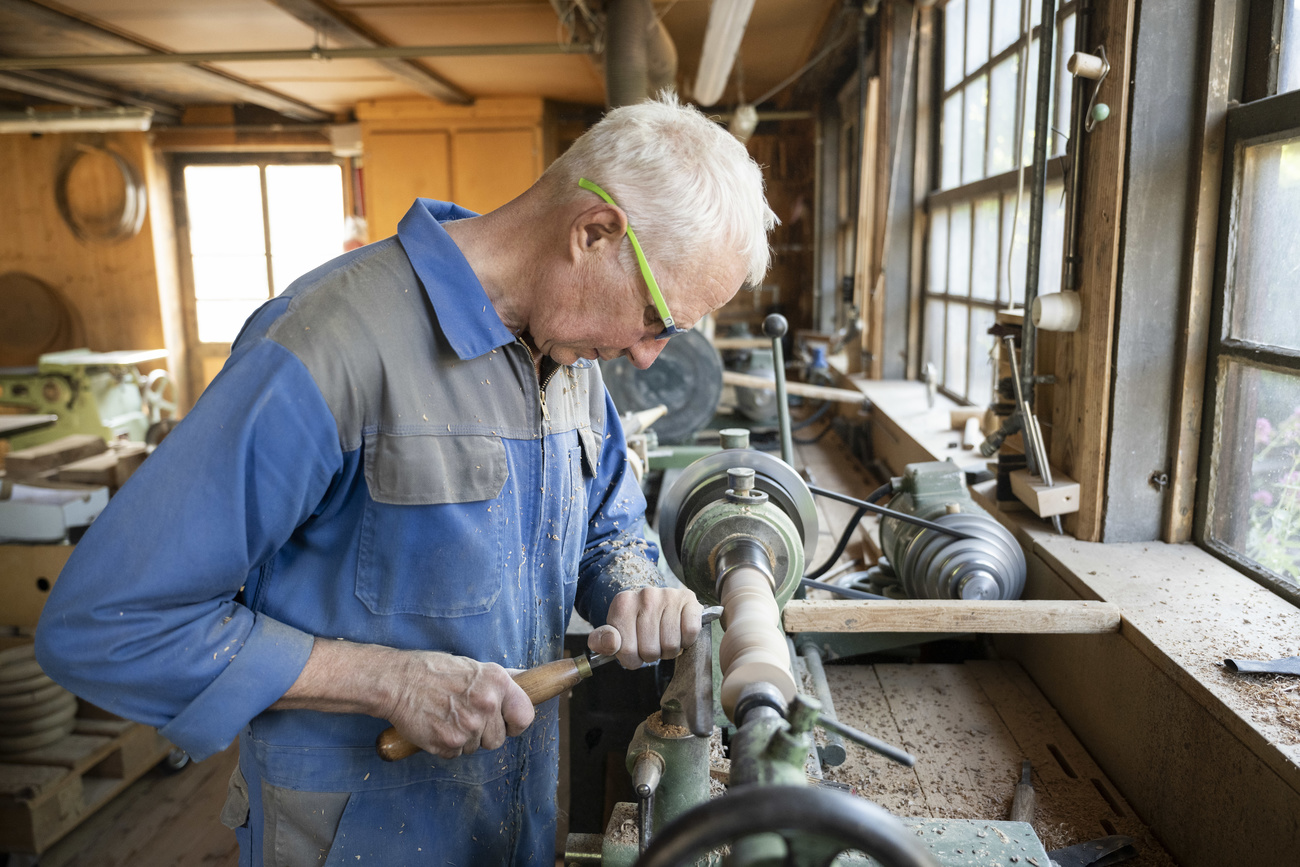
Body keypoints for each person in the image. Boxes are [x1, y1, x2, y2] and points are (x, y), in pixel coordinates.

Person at [35, 92, 776, 867]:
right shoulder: (328, 348)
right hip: (353, 834)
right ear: (593, 234)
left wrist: (633, 584)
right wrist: (387, 682)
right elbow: (108, 621)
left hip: (512, 828)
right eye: (660, 321)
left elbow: (607, 524)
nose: (651, 357)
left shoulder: (570, 355)